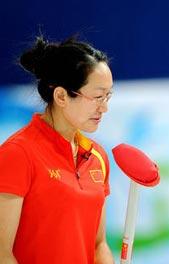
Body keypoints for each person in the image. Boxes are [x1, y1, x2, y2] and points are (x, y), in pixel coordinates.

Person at [0, 36, 114, 264]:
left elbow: (98, 244)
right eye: (97, 97)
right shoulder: (17, 154)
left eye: (108, 96)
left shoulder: (98, 157)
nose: (105, 107)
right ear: (61, 96)